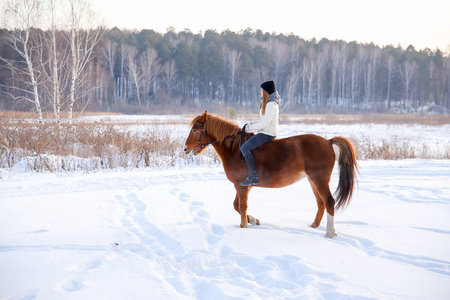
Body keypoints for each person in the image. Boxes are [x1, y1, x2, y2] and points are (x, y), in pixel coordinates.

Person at [240, 80, 281, 186]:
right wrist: (249, 126)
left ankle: (253, 177)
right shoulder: (269, 104)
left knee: (244, 148)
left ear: (266, 91)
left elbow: (264, 123)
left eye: (261, 90)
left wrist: (250, 127)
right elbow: (262, 121)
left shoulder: (271, 104)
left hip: (267, 134)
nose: (260, 91)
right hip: (265, 132)